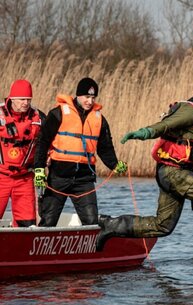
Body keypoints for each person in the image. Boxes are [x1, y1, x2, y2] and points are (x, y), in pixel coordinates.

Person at [96, 80, 193, 264]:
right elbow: (166, 125)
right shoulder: (190, 112)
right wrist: (144, 132)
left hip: (170, 173)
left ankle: (111, 226)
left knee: (163, 226)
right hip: (173, 173)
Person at [33, 77, 127, 227]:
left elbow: (105, 147)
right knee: (48, 221)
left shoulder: (99, 119)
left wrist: (114, 165)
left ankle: (89, 248)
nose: (90, 101)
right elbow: (42, 142)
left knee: (91, 222)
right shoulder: (58, 113)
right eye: (87, 97)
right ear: (78, 95)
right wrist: (38, 169)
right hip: (58, 176)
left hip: (84, 178)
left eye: (93, 97)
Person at [0, 79, 45, 227]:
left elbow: (48, 143)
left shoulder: (38, 118)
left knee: (28, 223)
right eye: (22, 99)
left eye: (28, 99)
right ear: (12, 98)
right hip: (2, 177)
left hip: (24, 178)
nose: (26, 103)